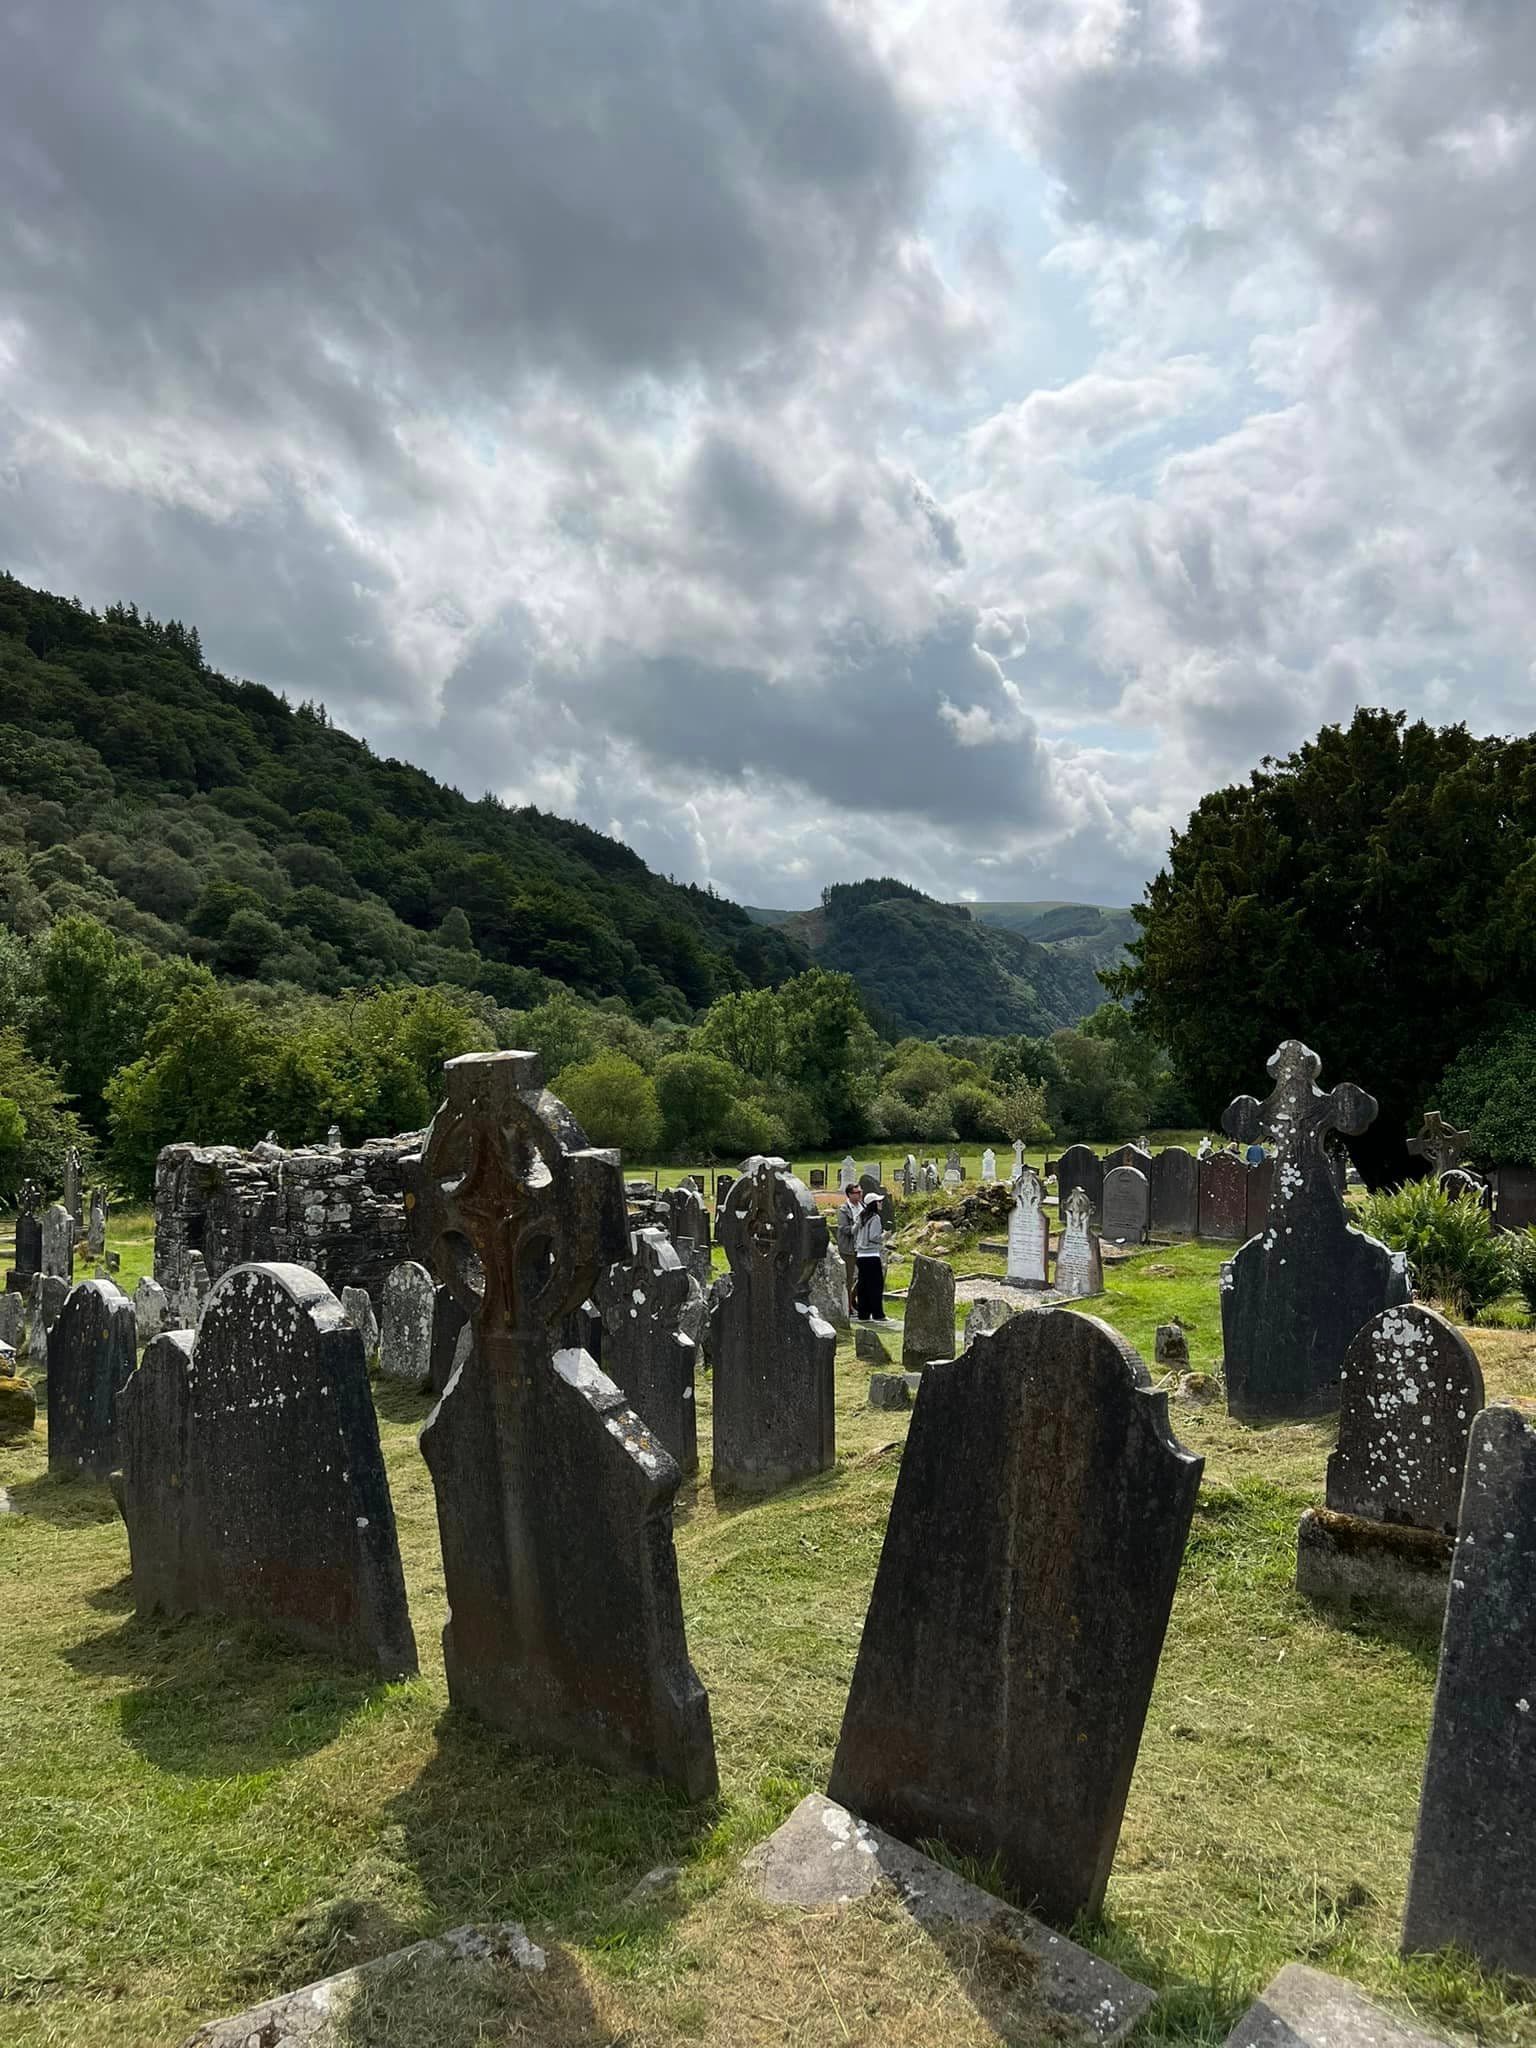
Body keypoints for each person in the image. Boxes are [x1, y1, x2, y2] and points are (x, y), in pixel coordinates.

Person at [853, 1188, 886, 1322]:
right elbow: (874, 1236)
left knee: (863, 1286)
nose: (881, 1204)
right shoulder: (875, 1218)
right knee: (876, 1286)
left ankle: (863, 1314)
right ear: (874, 1204)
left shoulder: (861, 1216)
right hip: (872, 1254)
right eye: (879, 1201)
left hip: (861, 1255)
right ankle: (878, 1314)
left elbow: (854, 1230)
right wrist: (884, 1236)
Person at [836, 1178, 864, 1314]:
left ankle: (853, 1300)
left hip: (863, 1247)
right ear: (850, 1194)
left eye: (860, 1192)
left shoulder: (863, 1206)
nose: (860, 1194)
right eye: (857, 1192)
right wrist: (858, 1225)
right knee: (848, 1278)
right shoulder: (843, 1210)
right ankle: (847, 1307)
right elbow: (844, 1229)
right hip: (849, 1249)